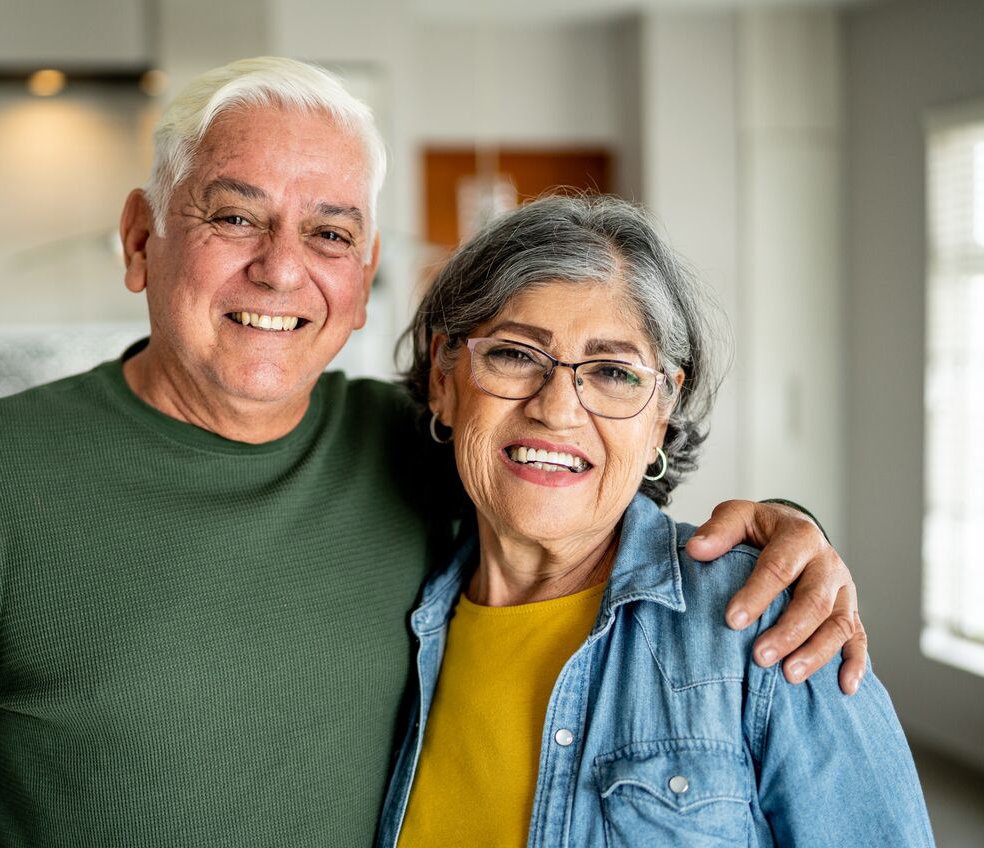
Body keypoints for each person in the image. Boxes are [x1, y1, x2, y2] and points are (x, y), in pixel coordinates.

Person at [0, 58, 867, 848]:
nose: (280, 268)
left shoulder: (411, 446)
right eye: (233, 215)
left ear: (364, 273)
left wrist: (789, 528)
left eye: (327, 234)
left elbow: (571, 478)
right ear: (142, 237)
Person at [377, 195, 931, 847]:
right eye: (515, 355)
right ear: (444, 375)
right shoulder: (399, 617)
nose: (557, 410)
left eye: (613, 371)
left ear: (661, 413)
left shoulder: (768, 626)